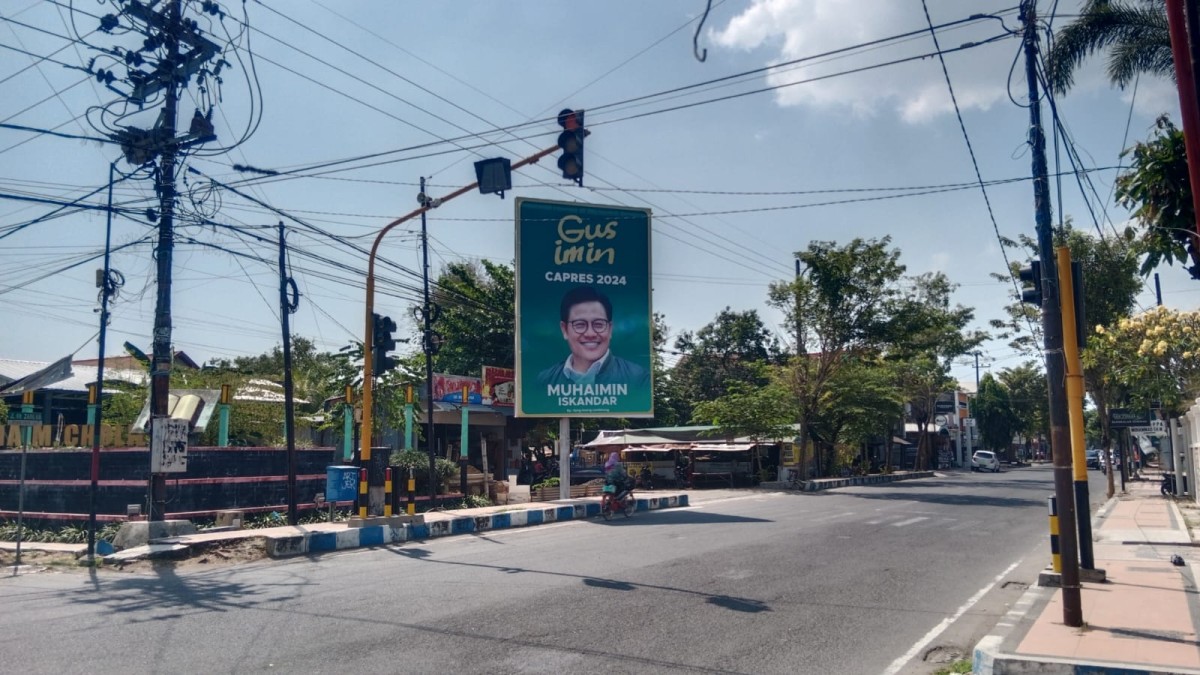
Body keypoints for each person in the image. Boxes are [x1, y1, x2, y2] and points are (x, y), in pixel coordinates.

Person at [537, 286, 650, 388]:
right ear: (565, 330)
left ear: (610, 329)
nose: (590, 333)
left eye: (598, 324)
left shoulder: (638, 378)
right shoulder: (544, 381)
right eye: (580, 324)